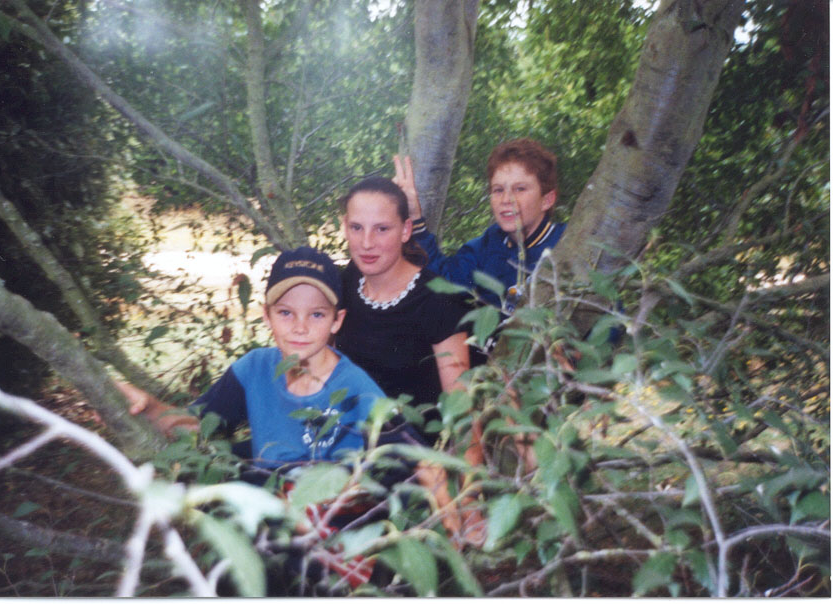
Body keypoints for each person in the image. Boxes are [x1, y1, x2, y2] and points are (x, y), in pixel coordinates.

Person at [118, 246, 479, 587]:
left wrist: (458, 519)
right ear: (267, 315)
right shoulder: (255, 369)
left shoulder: (354, 386)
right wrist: (147, 406)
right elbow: (195, 428)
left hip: (338, 528)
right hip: (275, 521)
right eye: (286, 313)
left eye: (316, 314)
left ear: (337, 320)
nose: (300, 327)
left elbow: (420, 461)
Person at [333, 176, 473, 446]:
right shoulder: (346, 282)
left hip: (415, 455)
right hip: (349, 442)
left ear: (406, 230)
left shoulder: (438, 300)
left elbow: (462, 413)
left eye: (382, 229)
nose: (366, 242)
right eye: (356, 227)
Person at [394, 138, 566, 311]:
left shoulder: (566, 242)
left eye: (520, 189)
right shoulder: (487, 245)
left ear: (547, 200)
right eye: (498, 190)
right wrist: (415, 218)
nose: (506, 199)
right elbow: (447, 283)